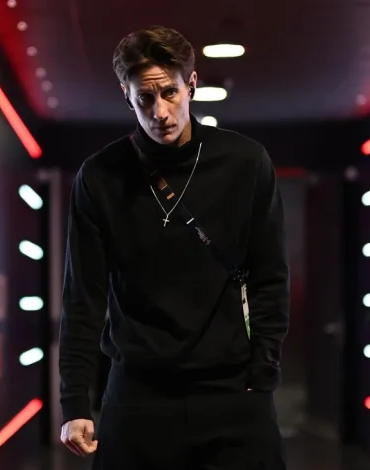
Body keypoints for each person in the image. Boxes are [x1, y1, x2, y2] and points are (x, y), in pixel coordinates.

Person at [58, 25, 290, 470]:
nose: (159, 111)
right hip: (138, 391)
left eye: (169, 93)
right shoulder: (100, 177)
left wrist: (263, 370)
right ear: (127, 97)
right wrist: (74, 401)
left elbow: (270, 275)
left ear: (191, 85)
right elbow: (82, 296)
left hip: (230, 389)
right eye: (145, 98)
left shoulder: (244, 162)